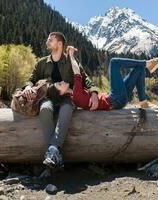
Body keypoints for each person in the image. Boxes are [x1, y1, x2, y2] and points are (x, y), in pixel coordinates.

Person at [21, 32, 99, 169]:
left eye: (50, 40)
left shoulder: (71, 62)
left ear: (60, 44)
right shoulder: (42, 62)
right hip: (48, 97)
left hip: (67, 98)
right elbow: (31, 78)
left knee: (66, 110)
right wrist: (28, 86)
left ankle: (51, 151)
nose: (47, 42)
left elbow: (85, 78)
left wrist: (94, 93)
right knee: (44, 110)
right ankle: (54, 152)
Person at [47, 47, 158, 110]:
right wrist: (71, 55)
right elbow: (76, 71)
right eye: (59, 84)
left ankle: (143, 102)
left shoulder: (74, 94)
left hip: (116, 99)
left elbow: (83, 77)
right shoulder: (76, 94)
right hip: (115, 99)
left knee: (139, 70)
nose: (62, 82)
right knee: (114, 62)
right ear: (61, 93)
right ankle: (148, 63)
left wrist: (94, 94)